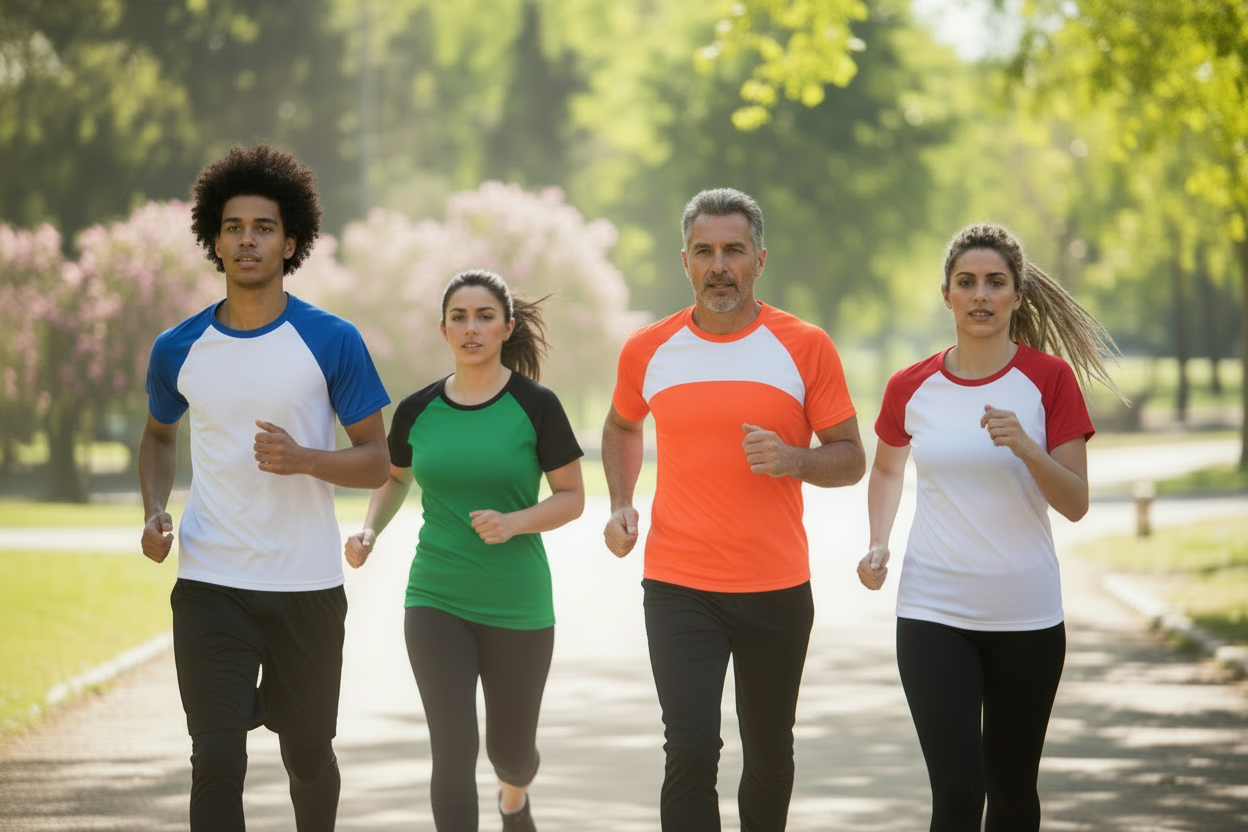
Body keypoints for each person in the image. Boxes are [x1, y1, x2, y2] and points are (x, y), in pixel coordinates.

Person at [139, 143, 391, 832]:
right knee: (215, 756)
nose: (247, 239)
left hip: (305, 586)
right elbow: (158, 437)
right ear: (214, 242)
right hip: (211, 582)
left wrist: (307, 458)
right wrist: (155, 511)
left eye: (264, 227)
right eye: (233, 227)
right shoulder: (178, 348)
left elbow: (378, 459)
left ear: (292, 242)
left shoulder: (331, 340)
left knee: (306, 753)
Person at [602, 187, 866, 831]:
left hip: (775, 585)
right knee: (690, 749)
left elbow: (852, 457)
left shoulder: (805, 346)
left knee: (770, 753)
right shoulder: (648, 349)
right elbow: (621, 427)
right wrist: (620, 502)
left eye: (734, 251)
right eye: (705, 251)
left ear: (760, 259)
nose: (719, 265)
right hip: (678, 584)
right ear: (685, 262)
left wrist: (796, 460)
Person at [857, 223, 1126, 831]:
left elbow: (1077, 502)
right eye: (967, 282)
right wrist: (878, 541)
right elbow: (887, 471)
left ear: (1017, 295)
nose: (980, 296)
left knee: (1010, 793)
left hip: (1025, 617)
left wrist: (1030, 449)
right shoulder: (911, 386)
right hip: (932, 612)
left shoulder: (1049, 381)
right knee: (957, 790)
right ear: (947, 294)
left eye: (995, 283)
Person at [344, 268, 585, 832]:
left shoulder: (537, 406)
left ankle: (514, 795)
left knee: (512, 754)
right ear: (443, 329)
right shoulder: (416, 410)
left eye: (484, 316)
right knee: (453, 750)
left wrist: (516, 521)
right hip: (436, 597)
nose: (471, 328)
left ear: (507, 326)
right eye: (459, 317)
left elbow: (572, 496)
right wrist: (371, 530)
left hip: (518, 604)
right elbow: (394, 476)